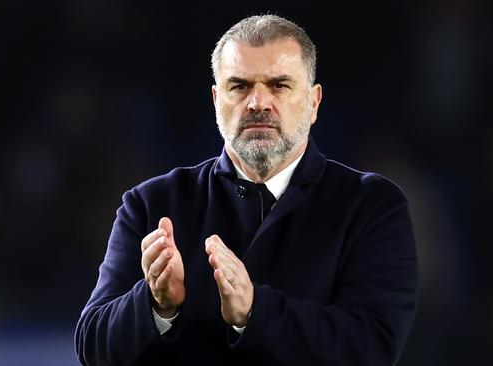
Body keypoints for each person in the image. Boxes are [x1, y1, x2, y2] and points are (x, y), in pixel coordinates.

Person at [75, 14, 417, 365]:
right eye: (239, 86)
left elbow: (372, 348)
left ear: (314, 103)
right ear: (215, 100)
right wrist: (155, 304)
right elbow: (93, 348)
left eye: (279, 85)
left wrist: (255, 311)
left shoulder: (371, 207)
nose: (257, 103)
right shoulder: (151, 204)